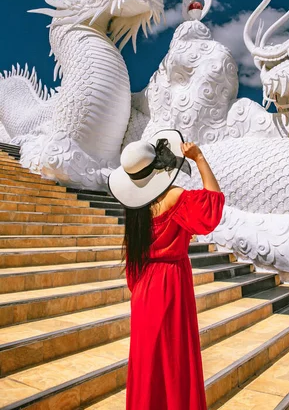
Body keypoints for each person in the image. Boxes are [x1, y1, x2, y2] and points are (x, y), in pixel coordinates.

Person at [108, 129, 224, 410]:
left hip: (144, 286)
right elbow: (213, 206)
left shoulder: (135, 208)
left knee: (147, 362)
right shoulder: (175, 196)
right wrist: (199, 158)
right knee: (174, 361)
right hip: (171, 283)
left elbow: (133, 266)